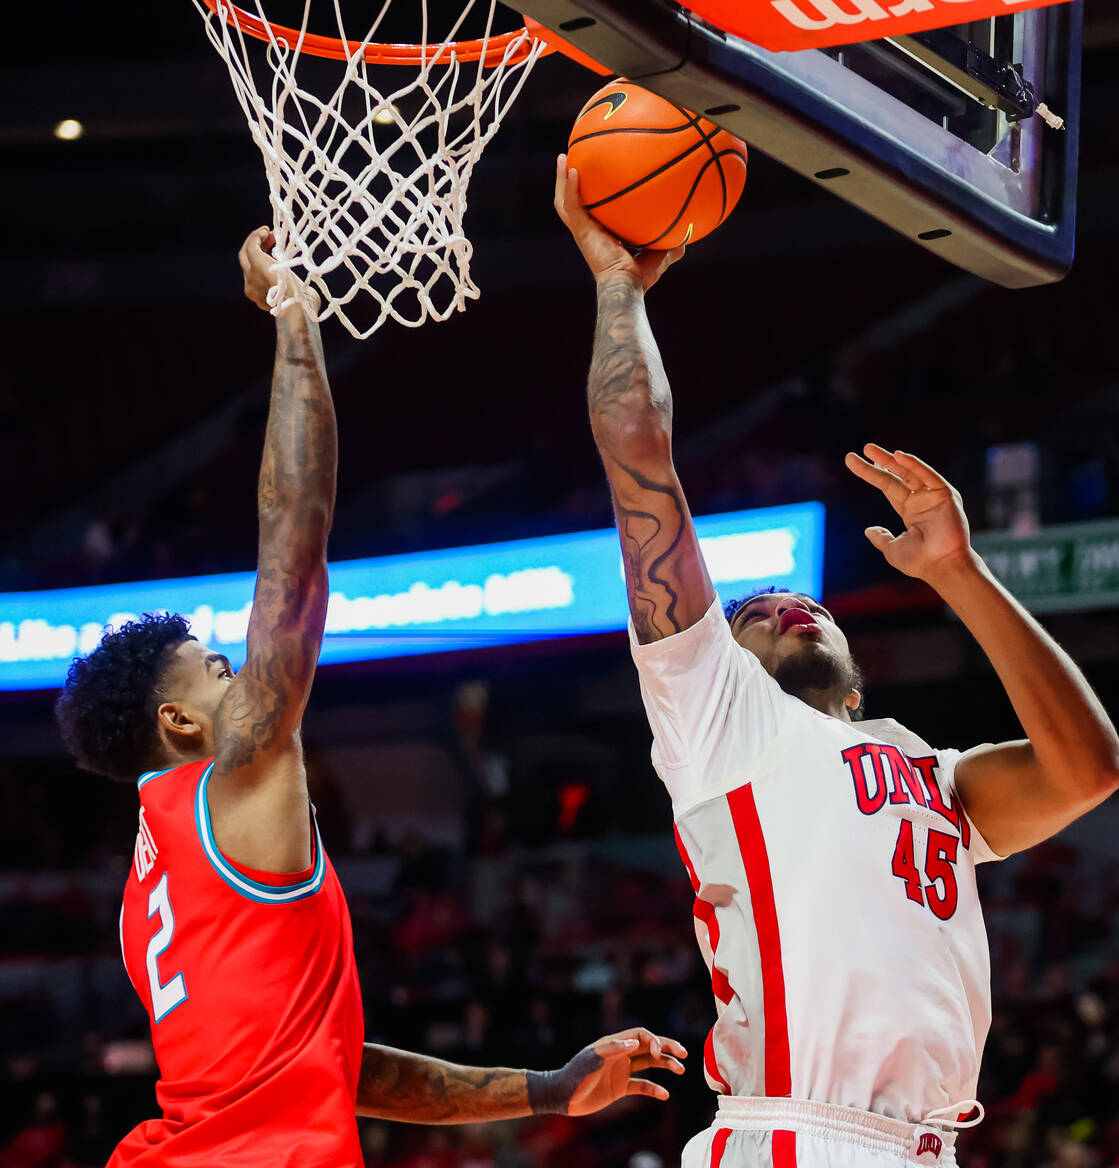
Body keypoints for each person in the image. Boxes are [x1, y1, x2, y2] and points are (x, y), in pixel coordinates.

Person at [54, 228, 687, 1168]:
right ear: (178, 723)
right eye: (217, 669)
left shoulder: (148, 885)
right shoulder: (230, 782)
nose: (245, 667)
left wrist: (547, 1089)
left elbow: (332, 1066)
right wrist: (294, 320)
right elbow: (293, 543)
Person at [553, 158, 1119, 1167]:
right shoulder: (719, 718)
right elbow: (639, 452)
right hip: (797, 1137)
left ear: (858, 684)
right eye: (751, 613)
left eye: (803, 601)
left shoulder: (931, 773)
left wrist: (961, 573)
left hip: (928, 1146)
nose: (782, 605)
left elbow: (1091, 770)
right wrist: (617, 285)